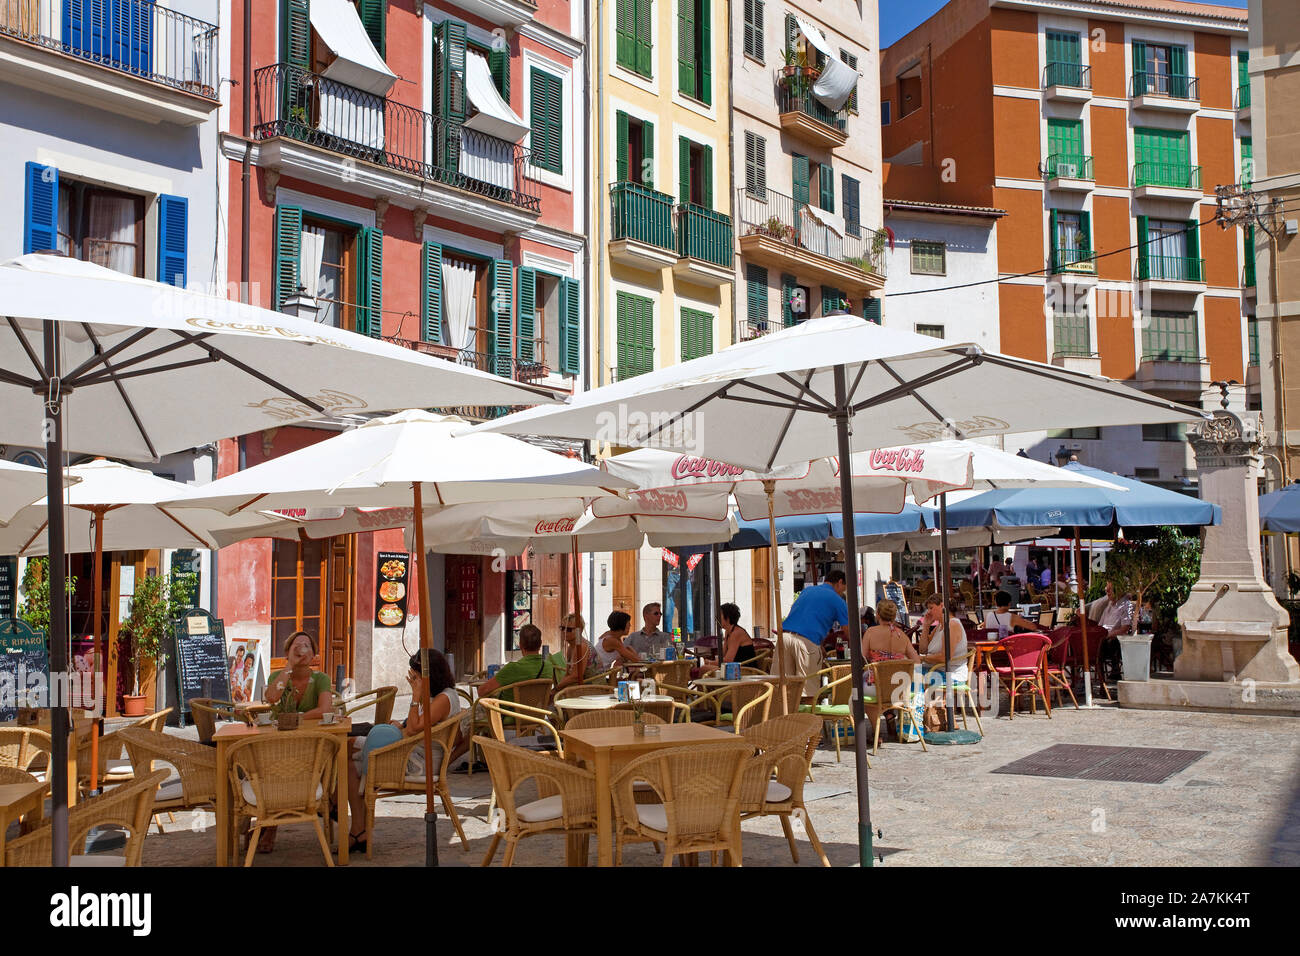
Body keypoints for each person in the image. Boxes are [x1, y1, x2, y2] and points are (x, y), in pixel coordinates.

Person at [345, 648, 460, 854]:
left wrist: (415, 697)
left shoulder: (444, 698)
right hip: (412, 752)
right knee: (349, 759)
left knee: (350, 751)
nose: (413, 681)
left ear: (429, 675)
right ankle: (358, 829)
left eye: (416, 677)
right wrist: (402, 726)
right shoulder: (437, 696)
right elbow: (412, 728)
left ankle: (346, 817)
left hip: (418, 764)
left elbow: (415, 728)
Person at [781, 570, 850, 699]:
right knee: (808, 692)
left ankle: (785, 719)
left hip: (784, 638)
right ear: (840, 582)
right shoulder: (837, 600)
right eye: (843, 590)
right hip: (805, 643)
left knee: (783, 690)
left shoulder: (807, 591)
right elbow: (849, 632)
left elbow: (807, 617)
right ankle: (806, 719)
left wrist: (819, 645)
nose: (842, 593)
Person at [477, 624, 557, 700]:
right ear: (540, 644)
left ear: (520, 645)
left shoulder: (512, 668)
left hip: (508, 713)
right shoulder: (548, 667)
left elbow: (481, 691)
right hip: (536, 713)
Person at [264, 631, 333, 718]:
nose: (302, 650)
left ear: (313, 654)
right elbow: (272, 698)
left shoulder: (321, 678)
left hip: (311, 730)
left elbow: (325, 710)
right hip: (279, 730)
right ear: (287, 653)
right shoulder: (276, 676)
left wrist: (297, 719)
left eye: (306, 646)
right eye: (297, 646)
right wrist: (290, 664)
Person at [919, 594, 968, 685]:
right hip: (936, 670)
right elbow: (922, 649)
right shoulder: (939, 626)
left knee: (910, 674)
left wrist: (922, 658)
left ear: (942, 606)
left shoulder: (952, 625)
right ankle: (918, 698)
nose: (928, 612)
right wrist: (926, 626)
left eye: (931, 608)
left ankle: (918, 699)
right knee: (908, 671)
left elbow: (945, 657)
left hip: (951, 675)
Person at [862, 599, 919, 664]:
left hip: (877, 673)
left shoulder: (870, 632)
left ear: (877, 615)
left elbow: (864, 658)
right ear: (894, 616)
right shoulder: (902, 635)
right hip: (899, 673)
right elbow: (917, 661)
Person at [553, 613, 597, 689]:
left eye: (569, 629)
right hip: (580, 686)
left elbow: (575, 676)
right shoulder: (571, 647)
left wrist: (556, 688)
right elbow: (568, 674)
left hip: (593, 688)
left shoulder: (581, 647)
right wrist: (557, 688)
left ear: (579, 630)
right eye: (562, 628)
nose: (564, 631)